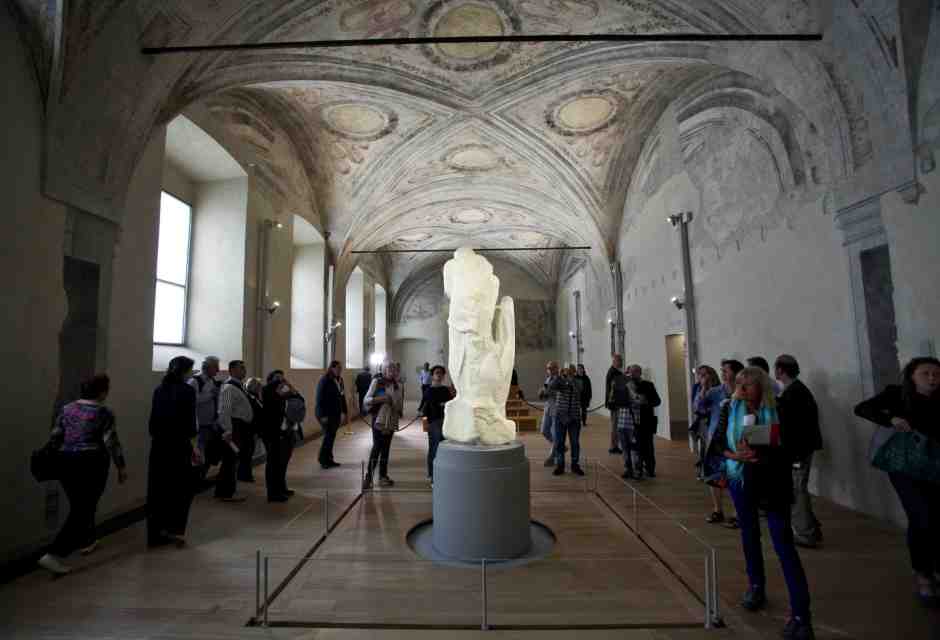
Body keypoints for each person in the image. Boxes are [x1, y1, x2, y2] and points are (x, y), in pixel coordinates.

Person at [715, 366, 814, 639]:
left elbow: (793, 447)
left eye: (748, 384)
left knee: (784, 546)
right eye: (739, 384)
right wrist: (736, 457)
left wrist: (763, 450)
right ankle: (755, 585)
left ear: (762, 386)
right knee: (749, 536)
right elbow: (716, 445)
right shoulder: (729, 409)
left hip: (773, 483)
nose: (742, 389)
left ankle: (801, 615)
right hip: (741, 479)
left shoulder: (781, 409)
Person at [855, 356, 940, 607]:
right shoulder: (897, 395)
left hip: (935, 466)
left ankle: (934, 567)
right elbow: (862, 408)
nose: (932, 378)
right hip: (906, 468)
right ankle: (923, 573)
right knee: (920, 515)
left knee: (935, 516)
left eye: (936, 374)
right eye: (926, 373)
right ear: (912, 376)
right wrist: (890, 418)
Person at [38, 374, 128, 575]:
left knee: (80, 505)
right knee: (83, 509)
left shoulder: (67, 408)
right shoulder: (104, 412)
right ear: (102, 391)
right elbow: (111, 441)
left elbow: (55, 436)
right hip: (92, 465)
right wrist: (121, 467)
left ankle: (88, 540)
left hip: (66, 463)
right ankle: (54, 554)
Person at [146, 356, 199, 548]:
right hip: (179, 446)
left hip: (159, 445)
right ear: (184, 371)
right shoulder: (187, 391)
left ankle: (154, 534)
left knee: (158, 490)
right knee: (181, 490)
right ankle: (175, 530)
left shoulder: (160, 390)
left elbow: (152, 423)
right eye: (190, 370)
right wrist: (193, 444)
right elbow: (190, 424)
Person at [774, 355, 824, 549]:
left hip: (798, 449)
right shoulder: (795, 390)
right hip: (800, 448)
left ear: (780, 370)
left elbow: (793, 425)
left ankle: (805, 533)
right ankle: (809, 527)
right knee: (797, 488)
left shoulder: (795, 392)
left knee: (797, 490)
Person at [702, 359, 744, 527]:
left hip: (735, 441)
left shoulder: (743, 391)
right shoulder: (715, 391)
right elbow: (700, 407)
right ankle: (718, 510)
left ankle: (737, 513)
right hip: (716, 438)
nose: (723, 373)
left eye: (726, 370)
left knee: (735, 477)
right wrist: (703, 389)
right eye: (722, 370)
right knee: (714, 476)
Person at [363, 362, 404, 489]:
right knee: (377, 448)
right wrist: (381, 399)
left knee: (386, 449)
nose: (392, 372)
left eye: (394, 370)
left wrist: (397, 409)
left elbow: (399, 404)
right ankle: (368, 477)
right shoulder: (377, 382)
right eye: (389, 369)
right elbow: (366, 400)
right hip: (379, 420)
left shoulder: (399, 385)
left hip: (391, 421)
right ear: (384, 370)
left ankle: (383, 476)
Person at [216, 360, 252, 502]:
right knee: (229, 460)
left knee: (233, 460)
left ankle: (228, 490)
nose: (244, 371)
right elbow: (224, 410)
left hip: (240, 428)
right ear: (231, 371)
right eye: (241, 368)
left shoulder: (239, 386)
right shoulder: (229, 388)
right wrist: (228, 430)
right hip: (233, 428)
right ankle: (225, 492)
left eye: (244, 368)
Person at [261, 370, 298, 502]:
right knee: (273, 463)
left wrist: (287, 384)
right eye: (277, 378)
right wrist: (281, 387)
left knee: (282, 463)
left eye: (282, 378)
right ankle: (273, 493)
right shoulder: (266, 390)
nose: (280, 380)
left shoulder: (283, 391)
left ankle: (281, 488)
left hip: (285, 432)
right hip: (272, 433)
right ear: (270, 379)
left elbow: (296, 395)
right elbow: (274, 400)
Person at [547, 364, 585, 476]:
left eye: (570, 371)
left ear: (574, 372)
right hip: (560, 417)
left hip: (574, 417)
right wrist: (559, 376)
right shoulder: (559, 381)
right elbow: (550, 388)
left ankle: (575, 465)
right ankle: (560, 465)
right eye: (566, 371)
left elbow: (579, 392)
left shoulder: (578, 382)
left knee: (574, 443)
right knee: (559, 442)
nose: (567, 372)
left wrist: (571, 379)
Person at [188, 356, 221, 481]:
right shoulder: (194, 381)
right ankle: (194, 480)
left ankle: (201, 477)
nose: (218, 370)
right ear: (207, 367)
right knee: (198, 454)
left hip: (210, 423)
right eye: (216, 367)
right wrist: (211, 394)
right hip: (199, 424)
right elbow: (192, 401)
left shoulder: (212, 381)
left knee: (209, 453)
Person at [628, 364, 662, 478]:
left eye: (634, 372)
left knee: (648, 446)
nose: (632, 374)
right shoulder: (628, 386)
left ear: (639, 373)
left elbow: (657, 401)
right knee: (636, 446)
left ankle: (650, 469)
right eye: (631, 372)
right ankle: (638, 469)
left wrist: (646, 403)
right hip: (633, 421)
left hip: (647, 420)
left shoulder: (648, 385)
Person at [609, 370, 642, 479]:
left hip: (633, 423)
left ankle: (637, 470)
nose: (628, 376)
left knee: (634, 449)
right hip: (622, 423)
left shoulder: (639, 386)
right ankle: (628, 469)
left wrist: (630, 390)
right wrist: (614, 389)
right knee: (624, 448)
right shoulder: (620, 388)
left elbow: (639, 401)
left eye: (631, 374)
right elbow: (613, 401)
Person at [422, 365, 452, 484]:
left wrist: (442, 404)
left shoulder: (445, 390)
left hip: (445, 421)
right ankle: (432, 476)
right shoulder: (429, 390)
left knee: (443, 447)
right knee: (434, 448)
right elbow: (428, 408)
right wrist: (426, 424)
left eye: (441, 373)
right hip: (434, 422)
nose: (439, 375)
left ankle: (441, 474)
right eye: (437, 373)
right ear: (432, 375)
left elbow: (449, 405)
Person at [315, 360, 347, 470]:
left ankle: (329, 459)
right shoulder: (324, 380)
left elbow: (342, 397)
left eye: (340, 368)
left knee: (331, 437)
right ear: (332, 368)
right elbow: (319, 398)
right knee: (328, 436)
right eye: (338, 368)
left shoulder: (340, 380)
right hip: (325, 414)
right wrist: (322, 415)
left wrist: (345, 412)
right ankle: (323, 460)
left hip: (335, 413)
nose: (340, 370)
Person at [691, 365, 720, 480]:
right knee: (704, 447)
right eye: (700, 375)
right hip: (704, 420)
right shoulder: (697, 387)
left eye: (705, 374)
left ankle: (715, 469)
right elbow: (696, 406)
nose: (702, 377)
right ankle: (704, 470)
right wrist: (703, 388)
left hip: (716, 420)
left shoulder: (719, 387)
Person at [538, 361, 561, 467]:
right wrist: (542, 393)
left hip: (556, 409)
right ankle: (559, 446)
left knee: (555, 433)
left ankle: (552, 457)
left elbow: (559, 393)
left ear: (557, 368)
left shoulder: (560, 380)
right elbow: (545, 391)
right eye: (548, 368)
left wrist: (547, 392)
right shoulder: (548, 379)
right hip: (547, 408)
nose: (549, 370)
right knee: (544, 431)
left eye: (551, 368)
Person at [606, 354, 625, 454]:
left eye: (621, 360)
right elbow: (618, 387)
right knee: (615, 425)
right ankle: (613, 446)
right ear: (614, 361)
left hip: (614, 403)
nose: (621, 362)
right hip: (615, 403)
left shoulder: (613, 371)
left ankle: (615, 445)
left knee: (615, 425)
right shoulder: (614, 372)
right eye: (619, 360)